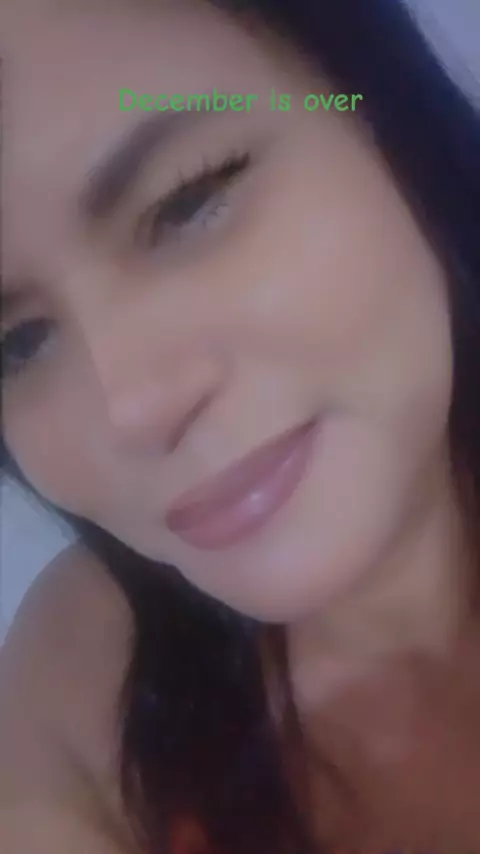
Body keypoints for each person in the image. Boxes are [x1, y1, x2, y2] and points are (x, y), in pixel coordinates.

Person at [1, 0, 479, 852]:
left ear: (376, 104)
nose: (131, 409)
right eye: (18, 344)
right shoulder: (80, 675)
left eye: (188, 201)